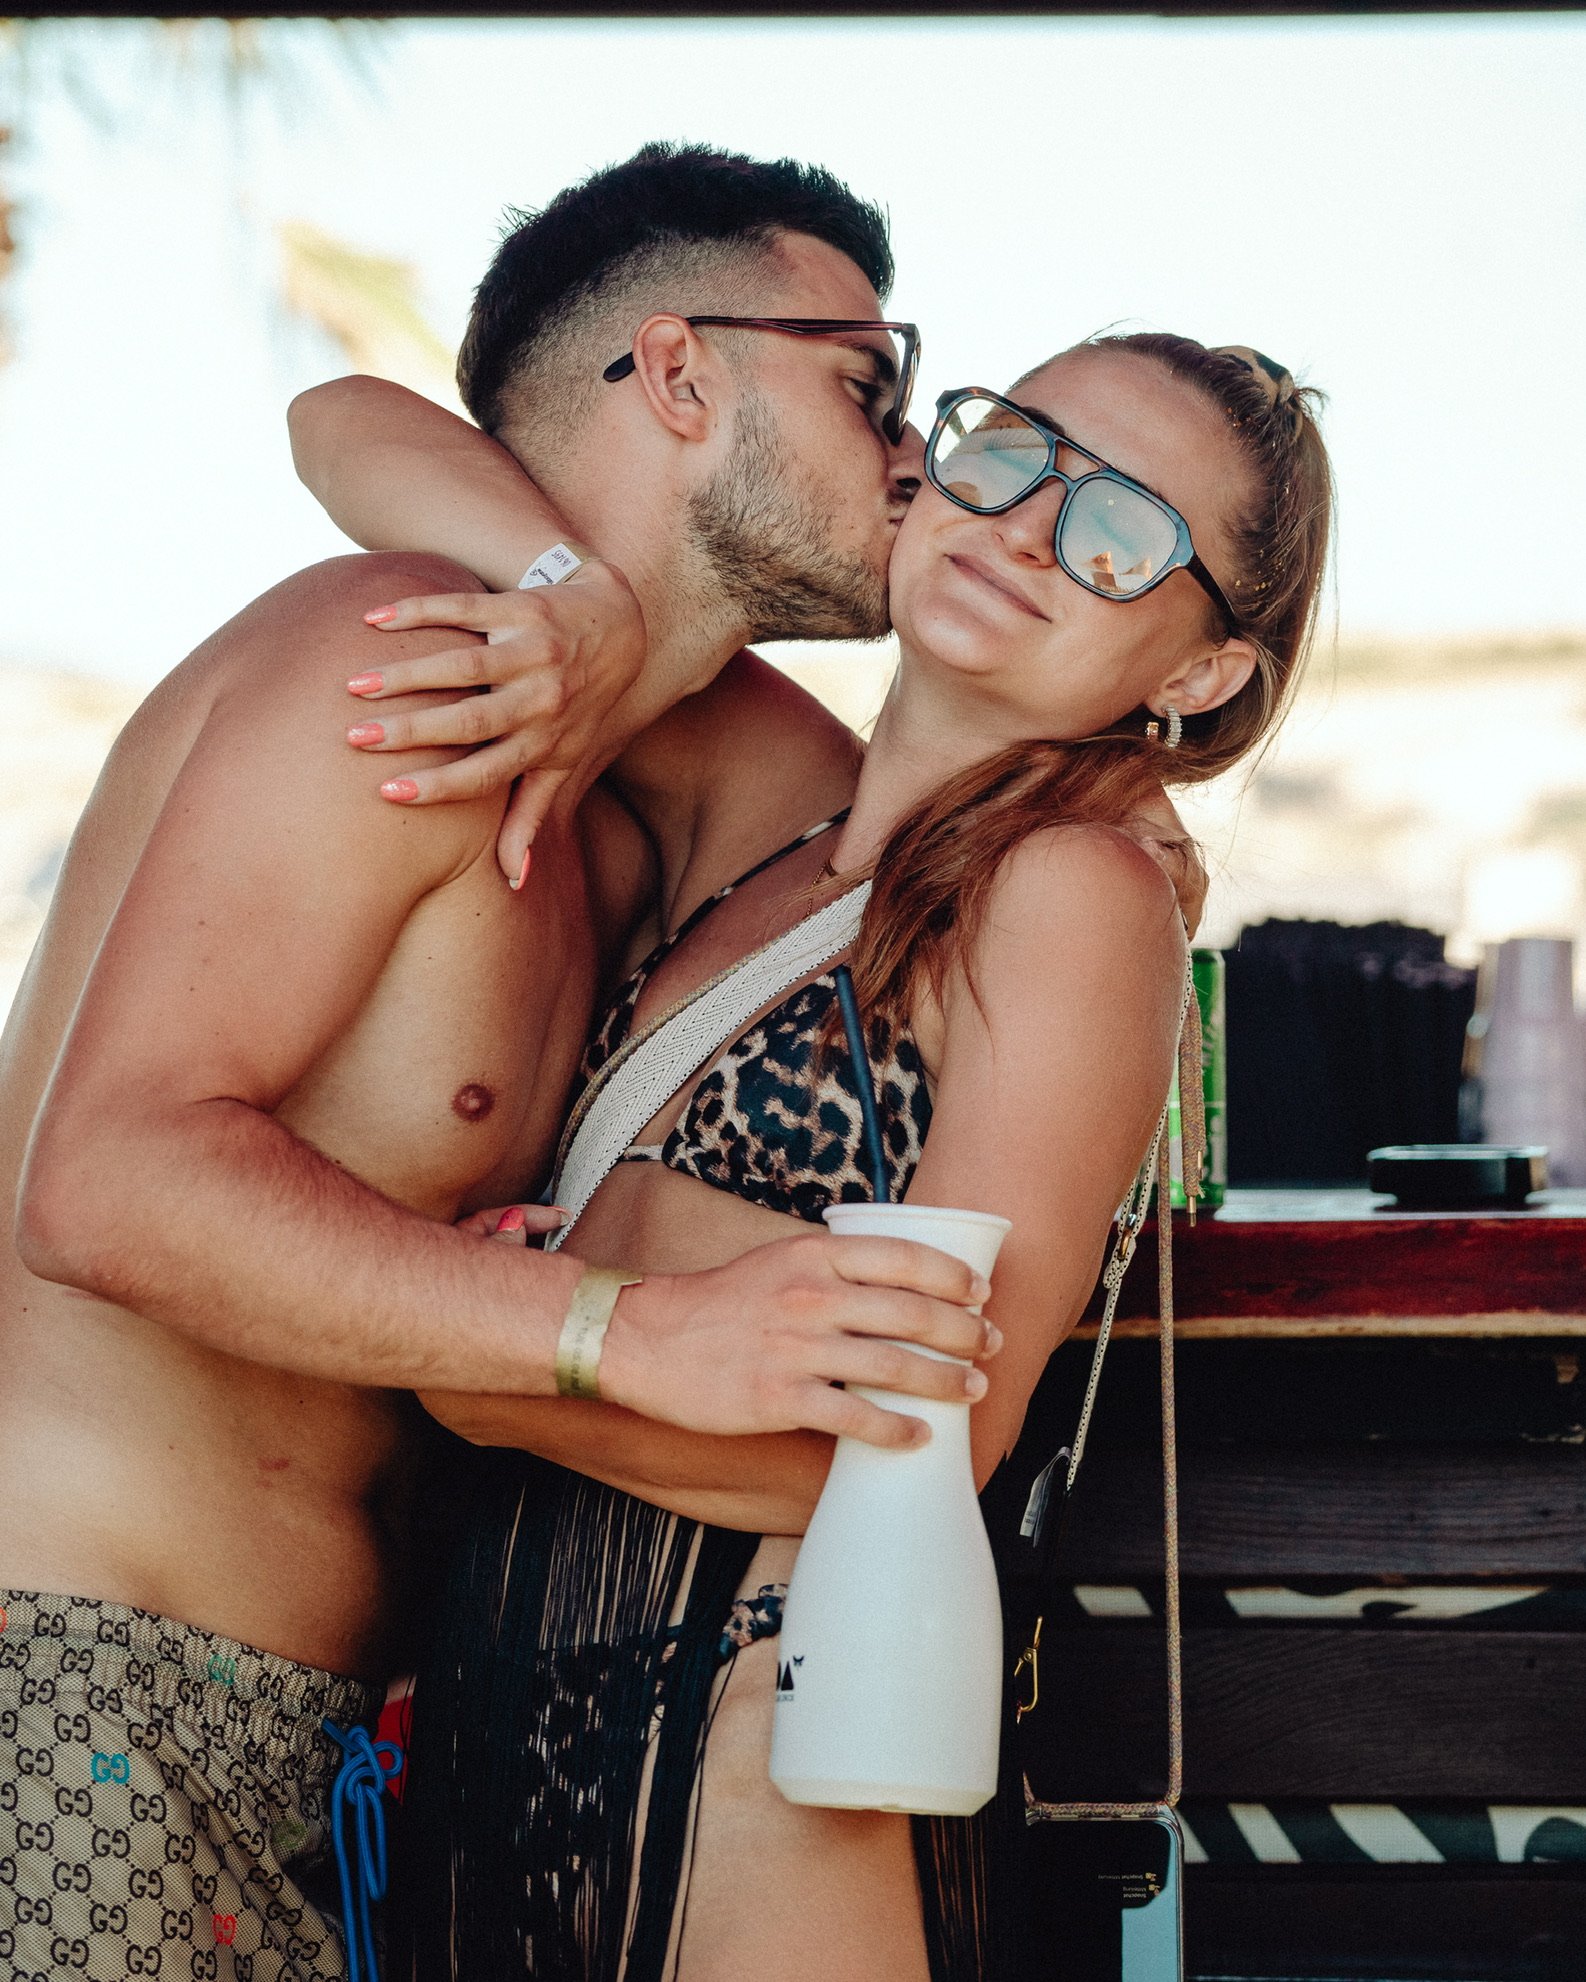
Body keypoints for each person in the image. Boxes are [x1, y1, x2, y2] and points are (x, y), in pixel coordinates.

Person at [0, 147, 1017, 1982]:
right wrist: (631, 1334)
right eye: (868, 385)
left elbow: (963, 815)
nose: (914, 461)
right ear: (680, 370)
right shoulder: (391, 656)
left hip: (331, 1748)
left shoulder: (661, 804)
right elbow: (107, 1182)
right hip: (82, 1675)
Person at [292, 262, 1333, 1975]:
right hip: (509, 1707)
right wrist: (577, 596)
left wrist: (464, 1358)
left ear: (1204, 667)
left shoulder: (1068, 882)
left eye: (1122, 532)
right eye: (1017, 450)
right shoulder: (765, 809)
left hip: (764, 1744)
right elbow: (340, 426)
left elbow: (929, 1446)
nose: (1029, 523)